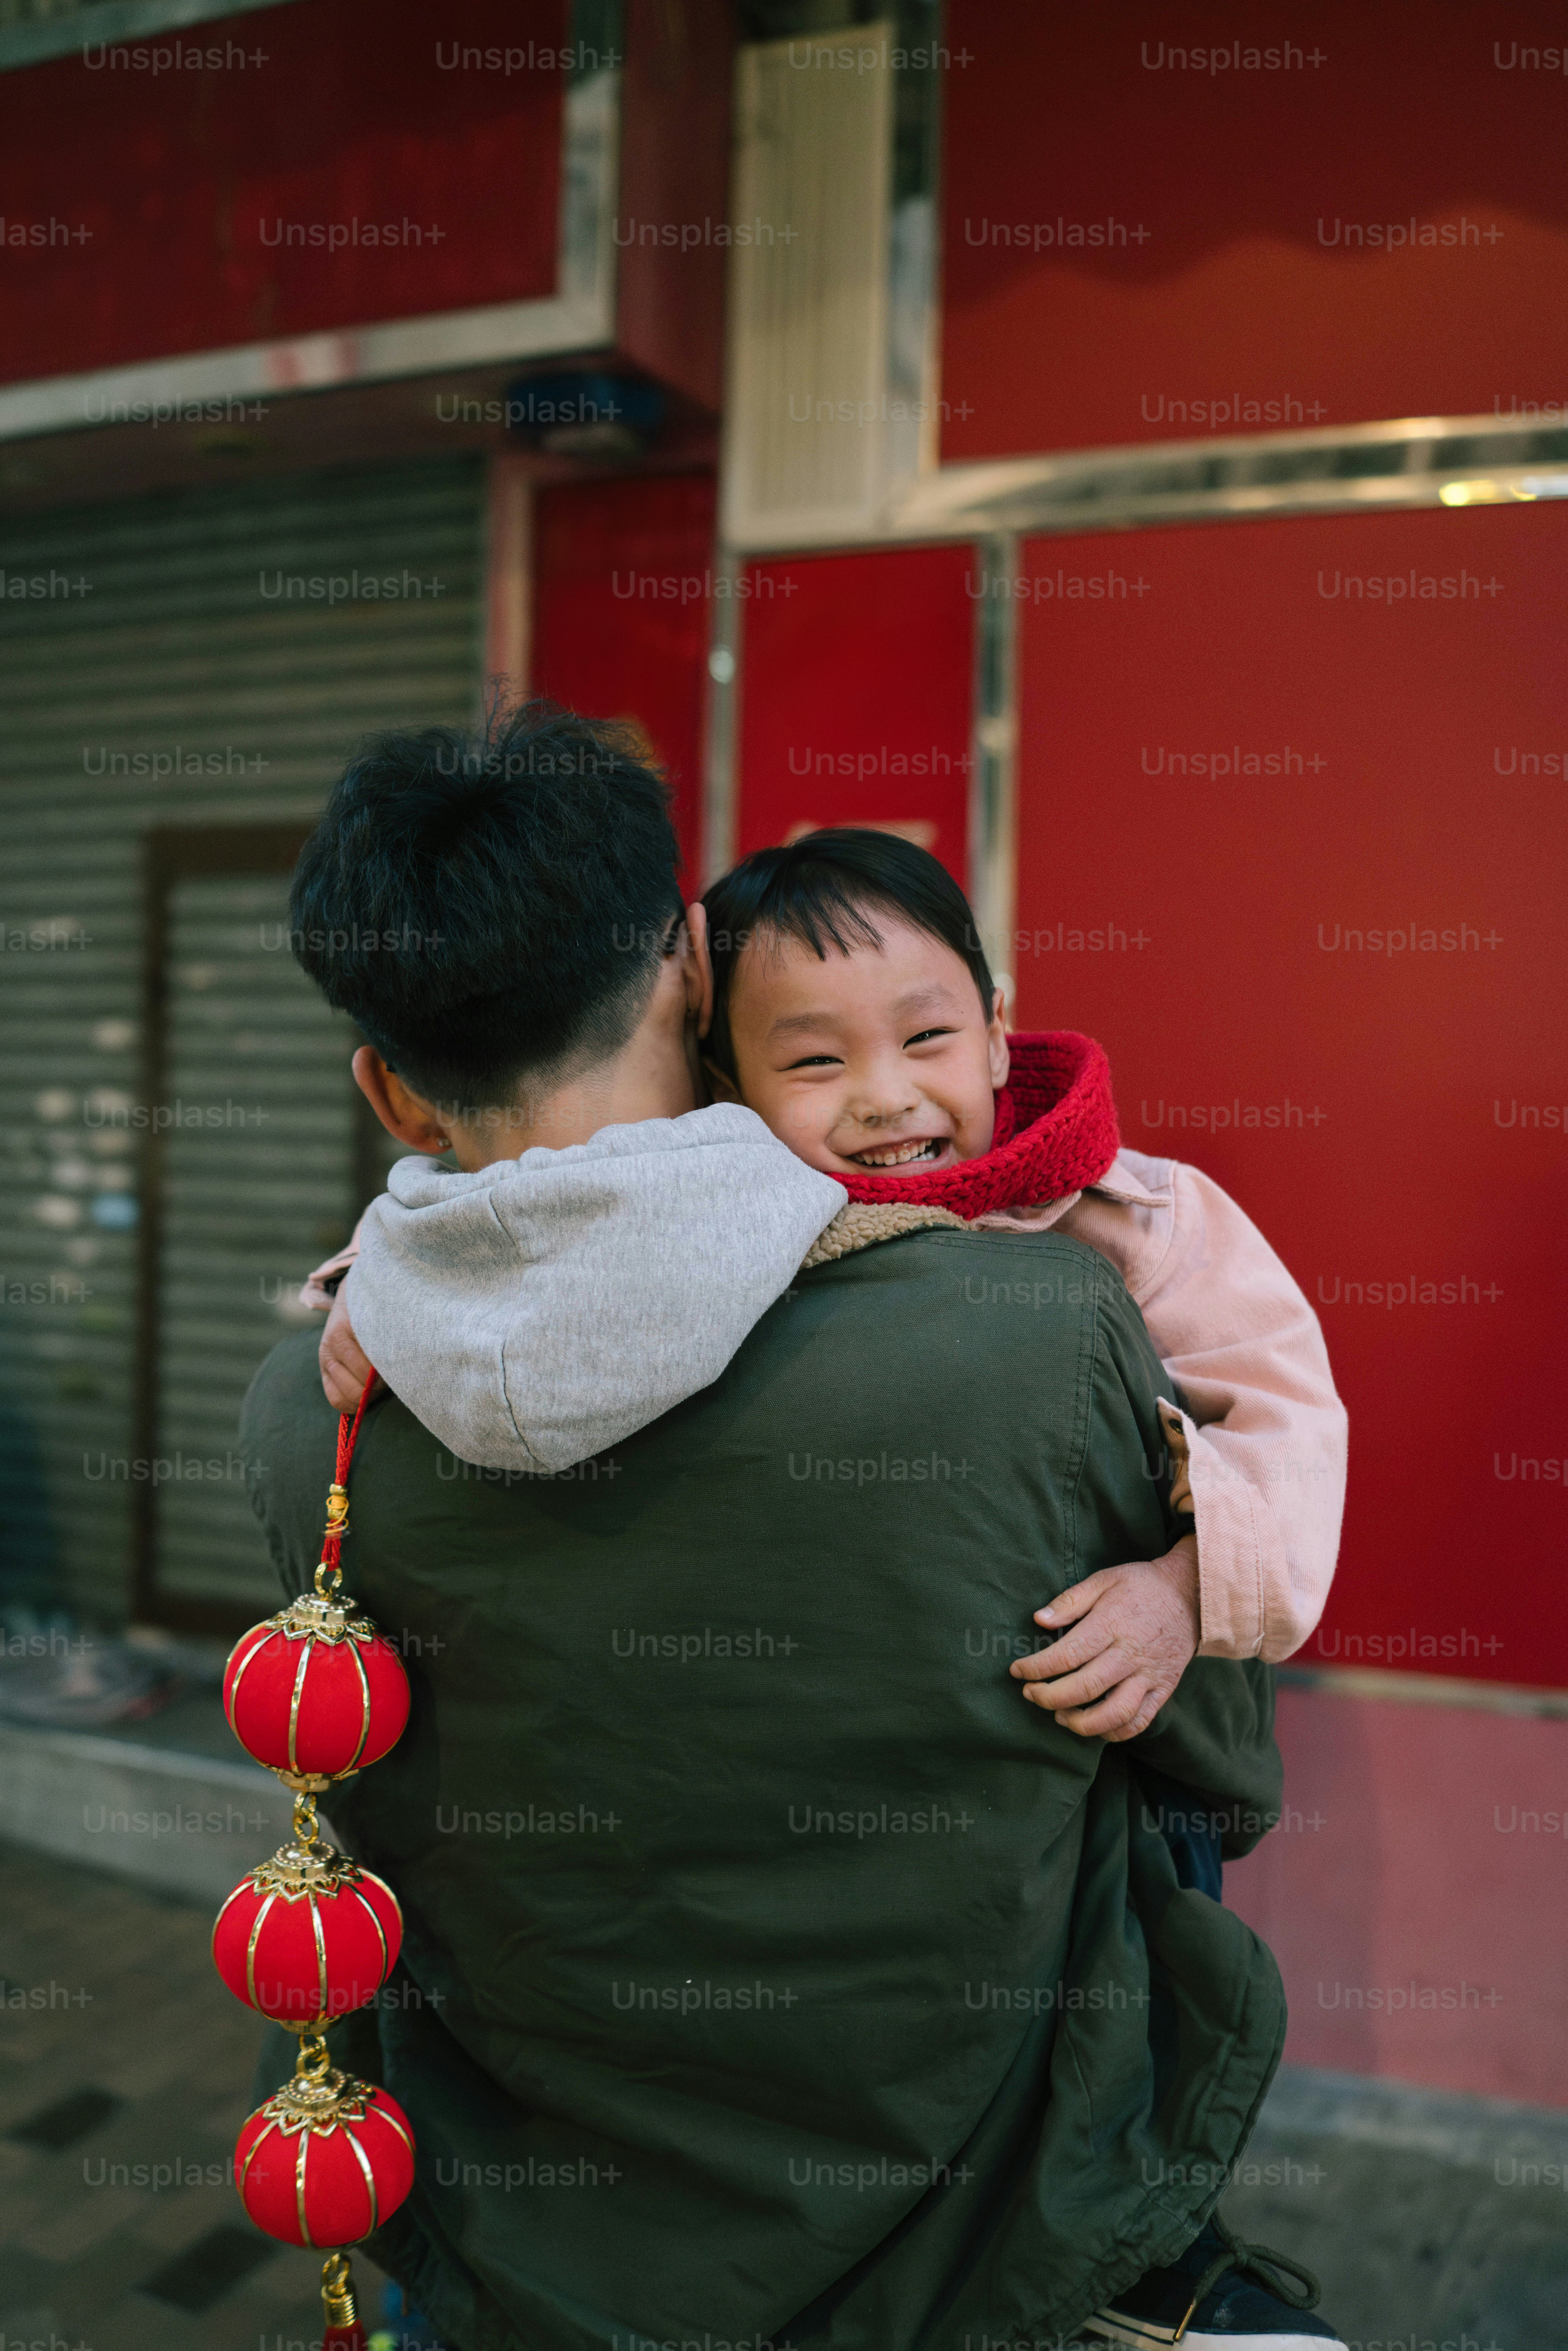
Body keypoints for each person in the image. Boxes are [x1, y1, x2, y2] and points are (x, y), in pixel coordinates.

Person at [243, 699, 1346, 2347]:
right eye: (819, 1053)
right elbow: (1215, 1767)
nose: (885, 1098)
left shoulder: (309, 1419)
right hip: (977, 2229)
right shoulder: (1033, 1333)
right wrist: (1185, 1599)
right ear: (695, 974)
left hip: (518, 2239)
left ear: (392, 1096)